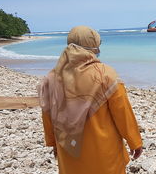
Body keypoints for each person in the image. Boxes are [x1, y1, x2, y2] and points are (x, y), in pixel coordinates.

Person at [38, 26, 143, 174]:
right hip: (103, 152)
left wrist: (53, 142)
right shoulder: (105, 74)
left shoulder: (52, 78)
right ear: (93, 45)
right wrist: (135, 142)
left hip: (69, 149)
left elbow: (48, 114)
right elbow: (122, 113)